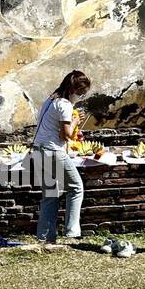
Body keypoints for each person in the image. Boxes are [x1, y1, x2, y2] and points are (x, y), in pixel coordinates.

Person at [32, 70, 91, 248]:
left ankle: (45, 236)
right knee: (76, 187)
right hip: (52, 151)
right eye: (81, 93)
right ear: (73, 90)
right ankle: (72, 232)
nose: (81, 97)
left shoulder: (51, 99)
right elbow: (65, 135)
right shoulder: (65, 104)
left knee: (50, 194)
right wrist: (75, 122)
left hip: (38, 149)